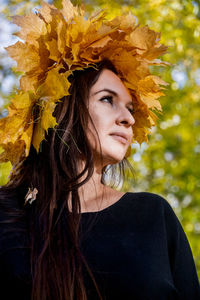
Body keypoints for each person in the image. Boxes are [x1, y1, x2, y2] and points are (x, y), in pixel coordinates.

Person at [0, 1, 200, 300]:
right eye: (108, 99)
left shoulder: (153, 216)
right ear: (62, 107)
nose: (128, 118)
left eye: (130, 108)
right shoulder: (6, 217)